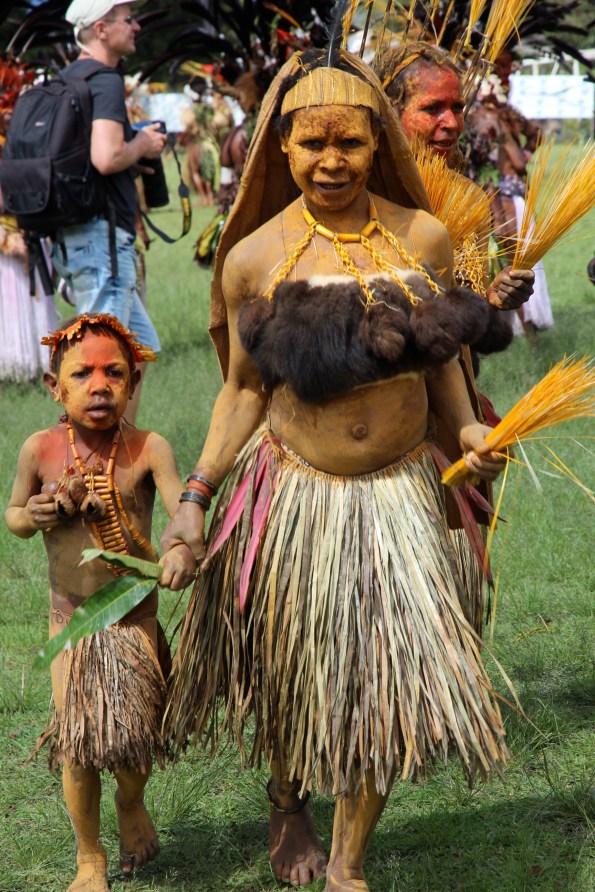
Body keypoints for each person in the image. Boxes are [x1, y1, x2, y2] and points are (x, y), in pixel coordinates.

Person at [161, 50, 512, 891]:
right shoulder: (254, 256)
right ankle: (287, 798)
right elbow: (242, 394)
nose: (330, 161)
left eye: (349, 142)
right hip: (295, 498)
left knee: (379, 682)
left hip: (398, 495)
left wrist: (465, 426)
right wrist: (195, 498)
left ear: (376, 141)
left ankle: (348, 865)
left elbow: (441, 363)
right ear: (279, 149)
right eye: (311, 144)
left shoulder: (419, 237)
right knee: (291, 672)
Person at [5, 313, 195, 892]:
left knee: (136, 748)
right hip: (73, 627)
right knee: (79, 748)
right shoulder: (39, 450)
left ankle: (131, 803)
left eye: (114, 372)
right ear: (53, 386)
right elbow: (13, 516)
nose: (99, 384)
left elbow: (182, 517)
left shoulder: (147, 449)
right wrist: (31, 514)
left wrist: (180, 550)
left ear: (133, 383)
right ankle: (90, 856)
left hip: (135, 624)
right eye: (81, 373)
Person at [52, 0, 168, 424]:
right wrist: (143, 146)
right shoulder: (104, 80)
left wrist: (130, 151)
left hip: (81, 238)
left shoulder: (69, 79)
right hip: (102, 246)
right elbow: (105, 156)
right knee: (103, 364)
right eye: (127, 19)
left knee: (138, 348)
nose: (136, 25)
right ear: (101, 29)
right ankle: (88, 468)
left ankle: (121, 448)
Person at [374, 42, 535, 319]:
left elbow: (467, 301)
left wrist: (490, 297)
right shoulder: (357, 191)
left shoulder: (467, 200)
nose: (451, 122)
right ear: (389, 111)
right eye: (432, 108)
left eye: (457, 107)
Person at [0, 61, 56, 382]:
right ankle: (14, 369)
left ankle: (38, 365)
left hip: (32, 234)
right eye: (4, 106)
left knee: (36, 304)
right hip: (8, 238)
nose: (9, 113)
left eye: (13, 105)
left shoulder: (27, 141)